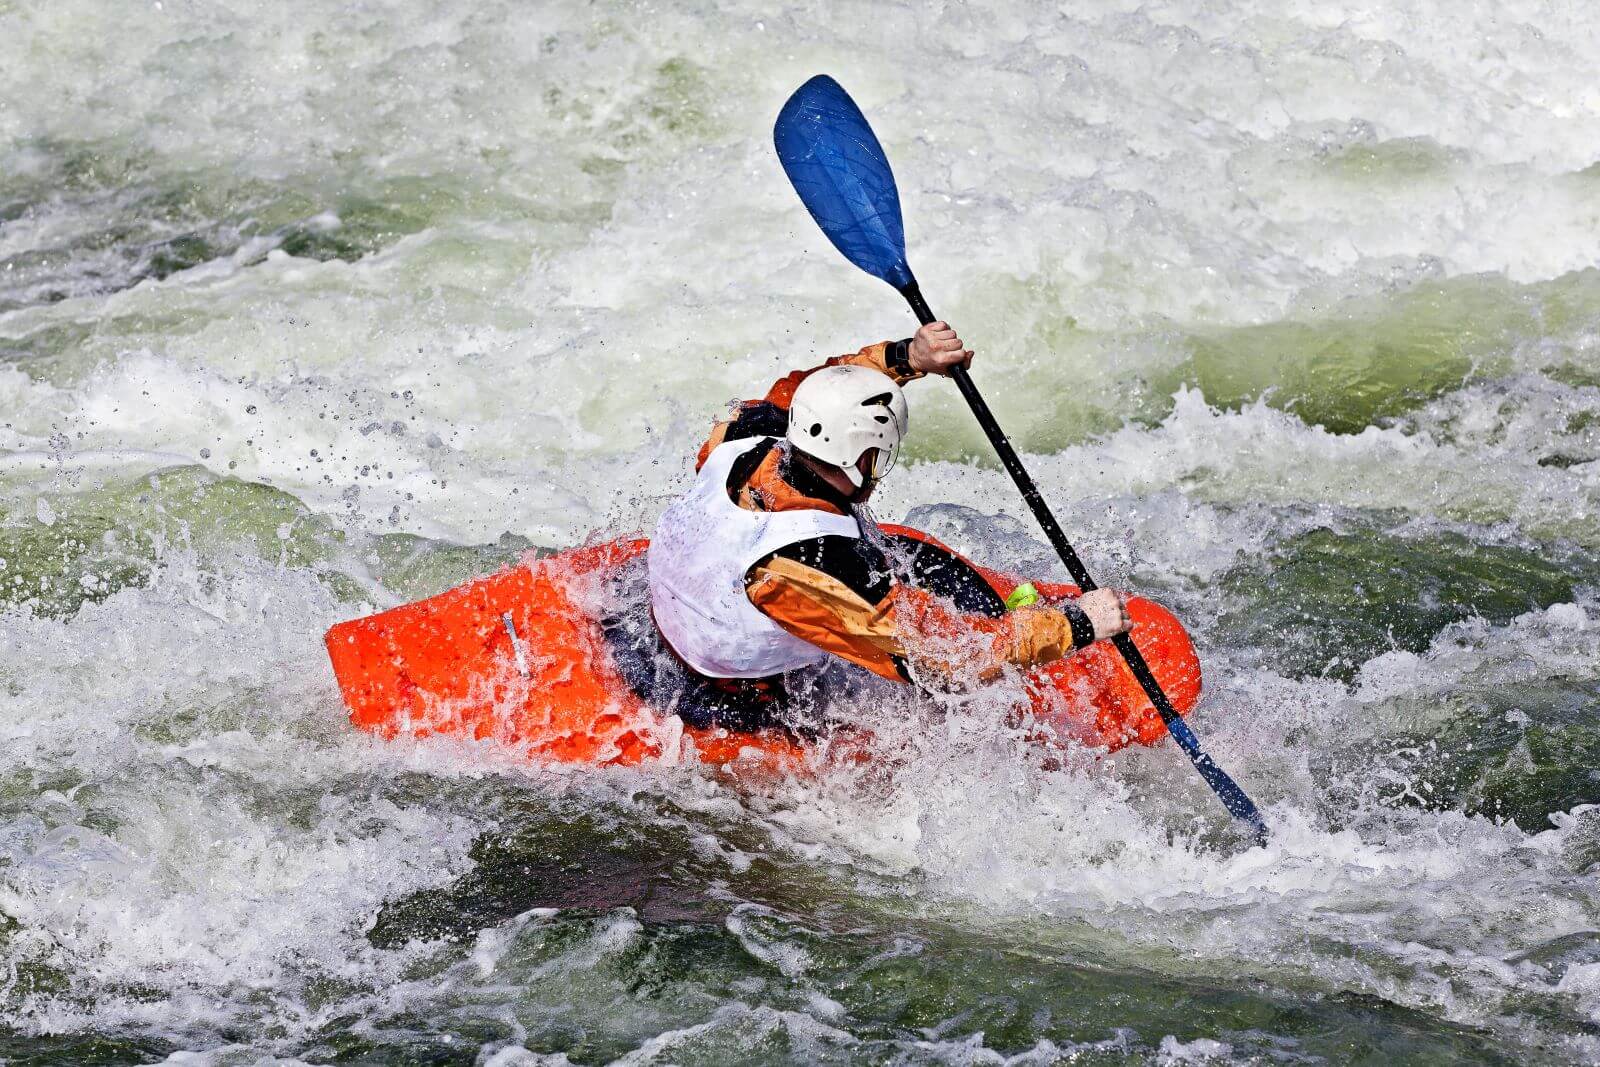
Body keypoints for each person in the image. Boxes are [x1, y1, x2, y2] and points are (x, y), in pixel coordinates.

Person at [623, 322, 1132, 733]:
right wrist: (1076, 624)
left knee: (909, 558)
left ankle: (1010, 618)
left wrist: (909, 356)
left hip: (663, 619)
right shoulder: (811, 565)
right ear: (865, 456)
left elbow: (814, 388)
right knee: (939, 676)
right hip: (731, 694)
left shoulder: (748, 434)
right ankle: (1026, 626)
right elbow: (950, 661)